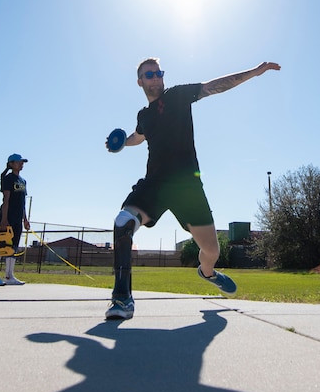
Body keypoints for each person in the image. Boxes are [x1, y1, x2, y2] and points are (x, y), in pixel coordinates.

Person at [103, 58, 282, 320]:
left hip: (188, 186)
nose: (155, 78)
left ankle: (207, 272)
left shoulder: (177, 96)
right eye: (148, 74)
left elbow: (213, 87)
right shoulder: (144, 115)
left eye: (158, 73)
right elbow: (138, 137)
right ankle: (121, 299)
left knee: (211, 252)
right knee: (123, 222)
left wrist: (254, 73)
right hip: (155, 184)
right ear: (140, 81)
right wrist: (121, 144)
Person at [0, 153, 31, 286]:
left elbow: (23, 202)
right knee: (1, 245)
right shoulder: (8, 178)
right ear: (11, 164)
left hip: (18, 218)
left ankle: (9, 276)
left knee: (13, 246)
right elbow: (6, 199)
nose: (21, 164)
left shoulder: (23, 181)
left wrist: (25, 219)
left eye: (22, 162)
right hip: (7, 216)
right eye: (19, 162)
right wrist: (4, 220)